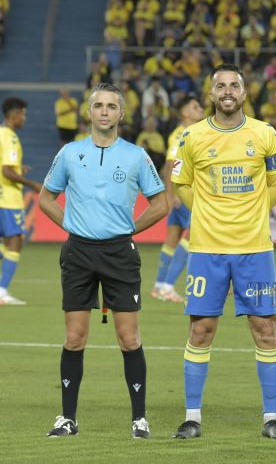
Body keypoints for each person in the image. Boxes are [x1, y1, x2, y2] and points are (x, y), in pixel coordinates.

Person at [39, 83, 168, 438]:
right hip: (78, 252)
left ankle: (139, 419)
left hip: (118, 254)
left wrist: (130, 229)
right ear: (89, 111)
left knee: (129, 338)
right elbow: (46, 198)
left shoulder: (136, 155)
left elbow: (160, 203)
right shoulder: (69, 153)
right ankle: (67, 418)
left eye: (112, 106)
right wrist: (70, 224)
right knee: (75, 337)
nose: (105, 111)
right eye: (99, 105)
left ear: (121, 114)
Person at [170, 63, 276, 440]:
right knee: (201, 330)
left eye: (233, 85)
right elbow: (182, 184)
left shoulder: (265, 134)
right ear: (211, 94)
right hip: (206, 250)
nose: (227, 91)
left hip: (255, 250)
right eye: (219, 85)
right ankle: (192, 418)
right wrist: (206, 212)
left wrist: (251, 214)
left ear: (244, 91)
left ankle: (271, 418)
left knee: (265, 330)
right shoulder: (192, 137)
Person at [151, 95, 205, 303]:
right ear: (184, 113)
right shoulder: (181, 134)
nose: (200, 109)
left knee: (172, 239)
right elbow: (170, 164)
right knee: (191, 237)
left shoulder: (192, 132)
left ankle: (158, 286)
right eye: (195, 106)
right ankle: (168, 286)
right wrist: (171, 194)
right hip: (185, 195)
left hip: (180, 194)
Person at [0, 97, 42, 305]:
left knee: (8, 243)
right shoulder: (10, 137)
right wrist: (31, 184)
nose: (24, 118)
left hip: (2, 198)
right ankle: (2, 292)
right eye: (23, 114)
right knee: (15, 241)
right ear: (14, 114)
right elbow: (6, 171)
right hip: (8, 199)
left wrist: (19, 169)